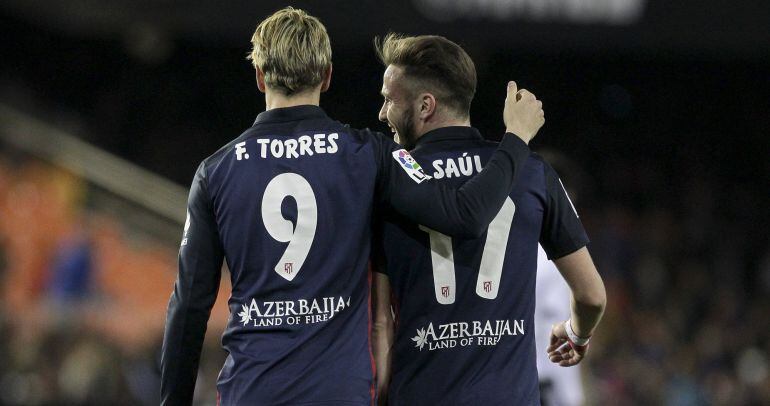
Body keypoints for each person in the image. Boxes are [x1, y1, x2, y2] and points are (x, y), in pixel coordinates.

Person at [160, 8, 544, 406]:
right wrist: (515, 139)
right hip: (340, 392)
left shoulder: (216, 171)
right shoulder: (370, 154)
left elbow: (188, 308)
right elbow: (467, 214)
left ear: (259, 76)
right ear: (327, 75)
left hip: (253, 390)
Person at [371, 34, 606, 405]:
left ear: (424, 106)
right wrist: (576, 334)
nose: (382, 113)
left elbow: (381, 323)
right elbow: (592, 295)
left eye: (388, 100)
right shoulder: (531, 173)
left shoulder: (392, 180)